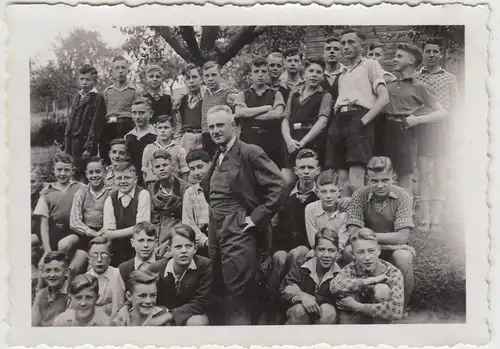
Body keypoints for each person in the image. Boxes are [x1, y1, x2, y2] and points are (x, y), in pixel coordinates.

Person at [202, 105, 286, 325]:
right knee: (219, 288)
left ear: (234, 127)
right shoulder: (217, 156)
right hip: (215, 229)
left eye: (220, 125)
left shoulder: (250, 151)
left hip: (238, 227)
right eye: (211, 126)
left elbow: (278, 186)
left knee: (239, 293)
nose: (215, 130)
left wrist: (256, 218)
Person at [345, 156, 414, 309]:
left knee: (403, 256)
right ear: (367, 179)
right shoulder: (359, 195)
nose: (380, 185)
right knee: (349, 251)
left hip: (391, 250)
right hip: (368, 249)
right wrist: (390, 244)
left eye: (385, 180)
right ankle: (356, 304)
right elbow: (354, 234)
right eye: (374, 181)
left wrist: (369, 236)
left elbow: (403, 236)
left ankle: (402, 308)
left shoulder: (403, 196)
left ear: (394, 178)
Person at [325, 28, 389, 189]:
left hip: (359, 117)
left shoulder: (370, 64)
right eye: (343, 43)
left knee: (356, 170)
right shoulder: (343, 74)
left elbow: (384, 98)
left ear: (362, 45)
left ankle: (357, 213)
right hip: (339, 119)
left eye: (351, 42)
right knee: (340, 174)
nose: (346, 46)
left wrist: (363, 121)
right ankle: (344, 214)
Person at [384, 44, 448, 193]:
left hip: (405, 132)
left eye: (399, 56)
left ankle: (405, 214)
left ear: (411, 61)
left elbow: (442, 112)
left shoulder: (419, 86)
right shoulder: (390, 85)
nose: (394, 59)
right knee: (384, 172)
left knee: (404, 175)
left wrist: (418, 119)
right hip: (385, 130)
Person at [413, 38, 460, 234]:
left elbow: (455, 106)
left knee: (440, 173)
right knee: (423, 173)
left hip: (442, 128)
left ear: (441, 54)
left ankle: (436, 219)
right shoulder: (415, 77)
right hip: (422, 128)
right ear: (422, 54)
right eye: (428, 51)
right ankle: (424, 218)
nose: (431, 55)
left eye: (435, 51)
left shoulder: (449, 78)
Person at [330, 228, 404, 324]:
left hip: (378, 319)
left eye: (371, 251)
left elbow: (396, 312)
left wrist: (357, 307)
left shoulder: (392, 272)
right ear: (353, 254)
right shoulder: (350, 269)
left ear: (379, 250)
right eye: (360, 252)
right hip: (355, 320)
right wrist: (370, 281)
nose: (367, 257)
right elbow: (334, 286)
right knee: (345, 293)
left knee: (382, 290)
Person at [33, 153, 87, 276]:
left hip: (74, 232)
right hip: (54, 233)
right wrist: (46, 249)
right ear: (53, 170)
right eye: (59, 170)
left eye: (66, 170)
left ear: (73, 170)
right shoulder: (47, 192)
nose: (62, 173)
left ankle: (62, 270)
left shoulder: (81, 188)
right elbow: (44, 224)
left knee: (64, 244)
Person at [281, 58, 333, 185]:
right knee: (285, 182)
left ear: (322, 77)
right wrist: (289, 141)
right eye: (311, 71)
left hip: (312, 142)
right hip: (292, 143)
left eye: (318, 72)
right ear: (304, 74)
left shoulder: (325, 95)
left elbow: (323, 121)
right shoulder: (294, 94)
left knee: (313, 182)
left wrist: (303, 142)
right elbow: (285, 119)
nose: (314, 75)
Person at [148, 225, 212, 326]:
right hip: (163, 311)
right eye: (178, 247)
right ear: (169, 249)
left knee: (198, 322)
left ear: (195, 248)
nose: (183, 251)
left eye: (188, 246)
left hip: (191, 314)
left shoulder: (205, 266)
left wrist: (169, 315)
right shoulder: (156, 268)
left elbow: (201, 301)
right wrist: (124, 307)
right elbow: (140, 289)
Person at [281, 228, 341, 324]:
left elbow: (340, 300)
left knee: (328, 311)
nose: (326, 255)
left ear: (337, 252)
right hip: (300, 314)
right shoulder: (302, 266)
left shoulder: (341, 273)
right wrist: (302, 296)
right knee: (299, 310)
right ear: (314, 250)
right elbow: (286, 289)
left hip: (326, 317)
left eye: (331, 250)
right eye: (321, 249)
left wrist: (313, 298)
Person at [234, 56, 286, 168]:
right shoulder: (242, 95)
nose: (260, 74)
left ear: (268, 74)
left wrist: (249, 115)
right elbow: (239, 112)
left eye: (263, 71)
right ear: (251, 75)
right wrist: (266, 108)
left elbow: (277, 114)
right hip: (248, 141)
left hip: (271, 143)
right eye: (256, 71)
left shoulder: (277, 94)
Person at [102, 161, 151, 267]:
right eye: (119, 178)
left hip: (140, 247)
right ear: (114, 180)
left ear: (135, 180)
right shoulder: (111, 198)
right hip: (118, 248)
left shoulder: (143, 194)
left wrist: (113, 234)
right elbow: (108, 231)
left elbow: (142, 228)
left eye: (127, 178)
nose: (123, 181)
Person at [63, 64, 106, 181]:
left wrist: (89, 147)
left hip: (84, 143)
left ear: (95, 81)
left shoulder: (98, 98)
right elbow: (71, 120)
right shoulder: (77, 97)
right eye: (82, 79)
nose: (84, 82)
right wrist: (65, 142)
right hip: (72, 142)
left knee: (84, 172)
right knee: (72, 170)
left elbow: (96, 125)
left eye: (88, 79)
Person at [147, 149, 191, 245]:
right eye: (157, 167)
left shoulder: (185, 188)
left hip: (179, 235)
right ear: (153, 171)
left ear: (172, 166)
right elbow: (153, 220)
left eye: (165, 165)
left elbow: (187, 220)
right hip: (158, 235)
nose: (161, 169)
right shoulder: (152, 189)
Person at [100, 56, 138, 164]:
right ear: (111, 71)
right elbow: (104, 112)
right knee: (109, 156)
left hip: (128, 125)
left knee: (127, 155)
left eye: (123, 68)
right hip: (110, 126)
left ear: (128, 70)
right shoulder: (108, 91)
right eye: (117, 68)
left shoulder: (134, 90)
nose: (120, 71)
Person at [70, 157, 112, 252]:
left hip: (107, 234)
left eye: (98, 172)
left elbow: (115, 217)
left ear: (105, 172)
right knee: (77, 264)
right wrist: (91, 232)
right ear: (86, 174)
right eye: (91, 172)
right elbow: (74, 221)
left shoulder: (112, 191)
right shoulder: (82, 192)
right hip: (86, 233)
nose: (94, 175)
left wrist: (101, 232)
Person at [199, 61, 240, 157]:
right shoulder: (204, 92)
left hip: (223, 135)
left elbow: (241, 107)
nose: (210, 79)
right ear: (203, 78)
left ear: (220, 75)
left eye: (213, 75)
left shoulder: (228, 92)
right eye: (207, 76)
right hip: (207, 136)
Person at [305, 169, 348, 255]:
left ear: (339, 192)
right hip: (319, 251)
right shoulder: (311, 209)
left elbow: (342, 242)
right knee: (310, 254)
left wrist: (332, 253)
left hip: (339, 252)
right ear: (317, 193)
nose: (328, 196)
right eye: (323, 192)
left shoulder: (345, 210)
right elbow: (313, 241)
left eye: (332, 191)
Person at [142, 115, 189, 184]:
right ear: (155, 130)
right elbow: (145, 171)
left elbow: (184, 172)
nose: (163, 131)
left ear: (173, 130)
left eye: (166, 127)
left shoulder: (180, 149)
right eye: (160, 128)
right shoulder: (148, 149)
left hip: (173, 187)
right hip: (154, 186)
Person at [85, 237, 125, 318]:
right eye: (95, 255)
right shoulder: (85, 279)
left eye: (104, 255)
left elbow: (120, 305)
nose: (99, 259)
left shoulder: (118, 274)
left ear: (110, 258)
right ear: (89, 259)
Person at [182, 149, 211, 254]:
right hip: (201, 244)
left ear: (210, 165)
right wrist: (206, 241)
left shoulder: (222, 187)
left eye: (200, 167)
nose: (196, 173)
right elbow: (188, 222)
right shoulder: (190, 192)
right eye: (192, 169)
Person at [32, 251, 69, 326]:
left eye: (57, 270)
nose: (52, 275)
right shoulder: (41, 294)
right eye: (48, 271)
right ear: (43, 273)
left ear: (66, 272)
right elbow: (34, 324)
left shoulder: (72, 293)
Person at [125, 97, 157, 183]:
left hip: (152, 179)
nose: (137, 117)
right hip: (133, 180)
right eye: (134, 113)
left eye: (141, 113)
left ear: (150, 114)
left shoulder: (157, 135)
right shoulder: (128, 137)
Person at [118, 222, 160, 288]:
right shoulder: (123, 269)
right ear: (133, 243)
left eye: (150, 240)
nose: (145, 245)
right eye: (141, 240)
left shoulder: (165, 265)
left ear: (156, 243)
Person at [174, 63, 205, 152]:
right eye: (188, 78)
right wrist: (177, 144)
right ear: (184, 82)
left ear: (201, 79)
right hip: (187, 139)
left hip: (204, 138)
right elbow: (179, 125)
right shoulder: (182, 100)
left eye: (194, 77)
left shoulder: (207, 97)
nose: (191, 81)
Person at [322, 36, 344, 104]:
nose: (332, 51)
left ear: (342, 54)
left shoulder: (347, 73)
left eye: (336, 49)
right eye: (328, 49)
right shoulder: (317, 75)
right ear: (323, 54)